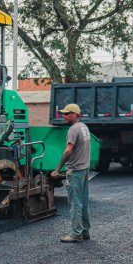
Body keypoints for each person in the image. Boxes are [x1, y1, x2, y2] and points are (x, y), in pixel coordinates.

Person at [51, 103, 91, 243]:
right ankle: (84, 230)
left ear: (74, 114)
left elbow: (68, 151)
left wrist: (57, 169)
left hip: (75, 171)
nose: (64, 116)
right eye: (64, 113)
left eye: (67, 114)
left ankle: (75, 233)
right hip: (84, 169)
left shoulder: (73, 130)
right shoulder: (84, 127)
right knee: (84, 201)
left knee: (75, 202)